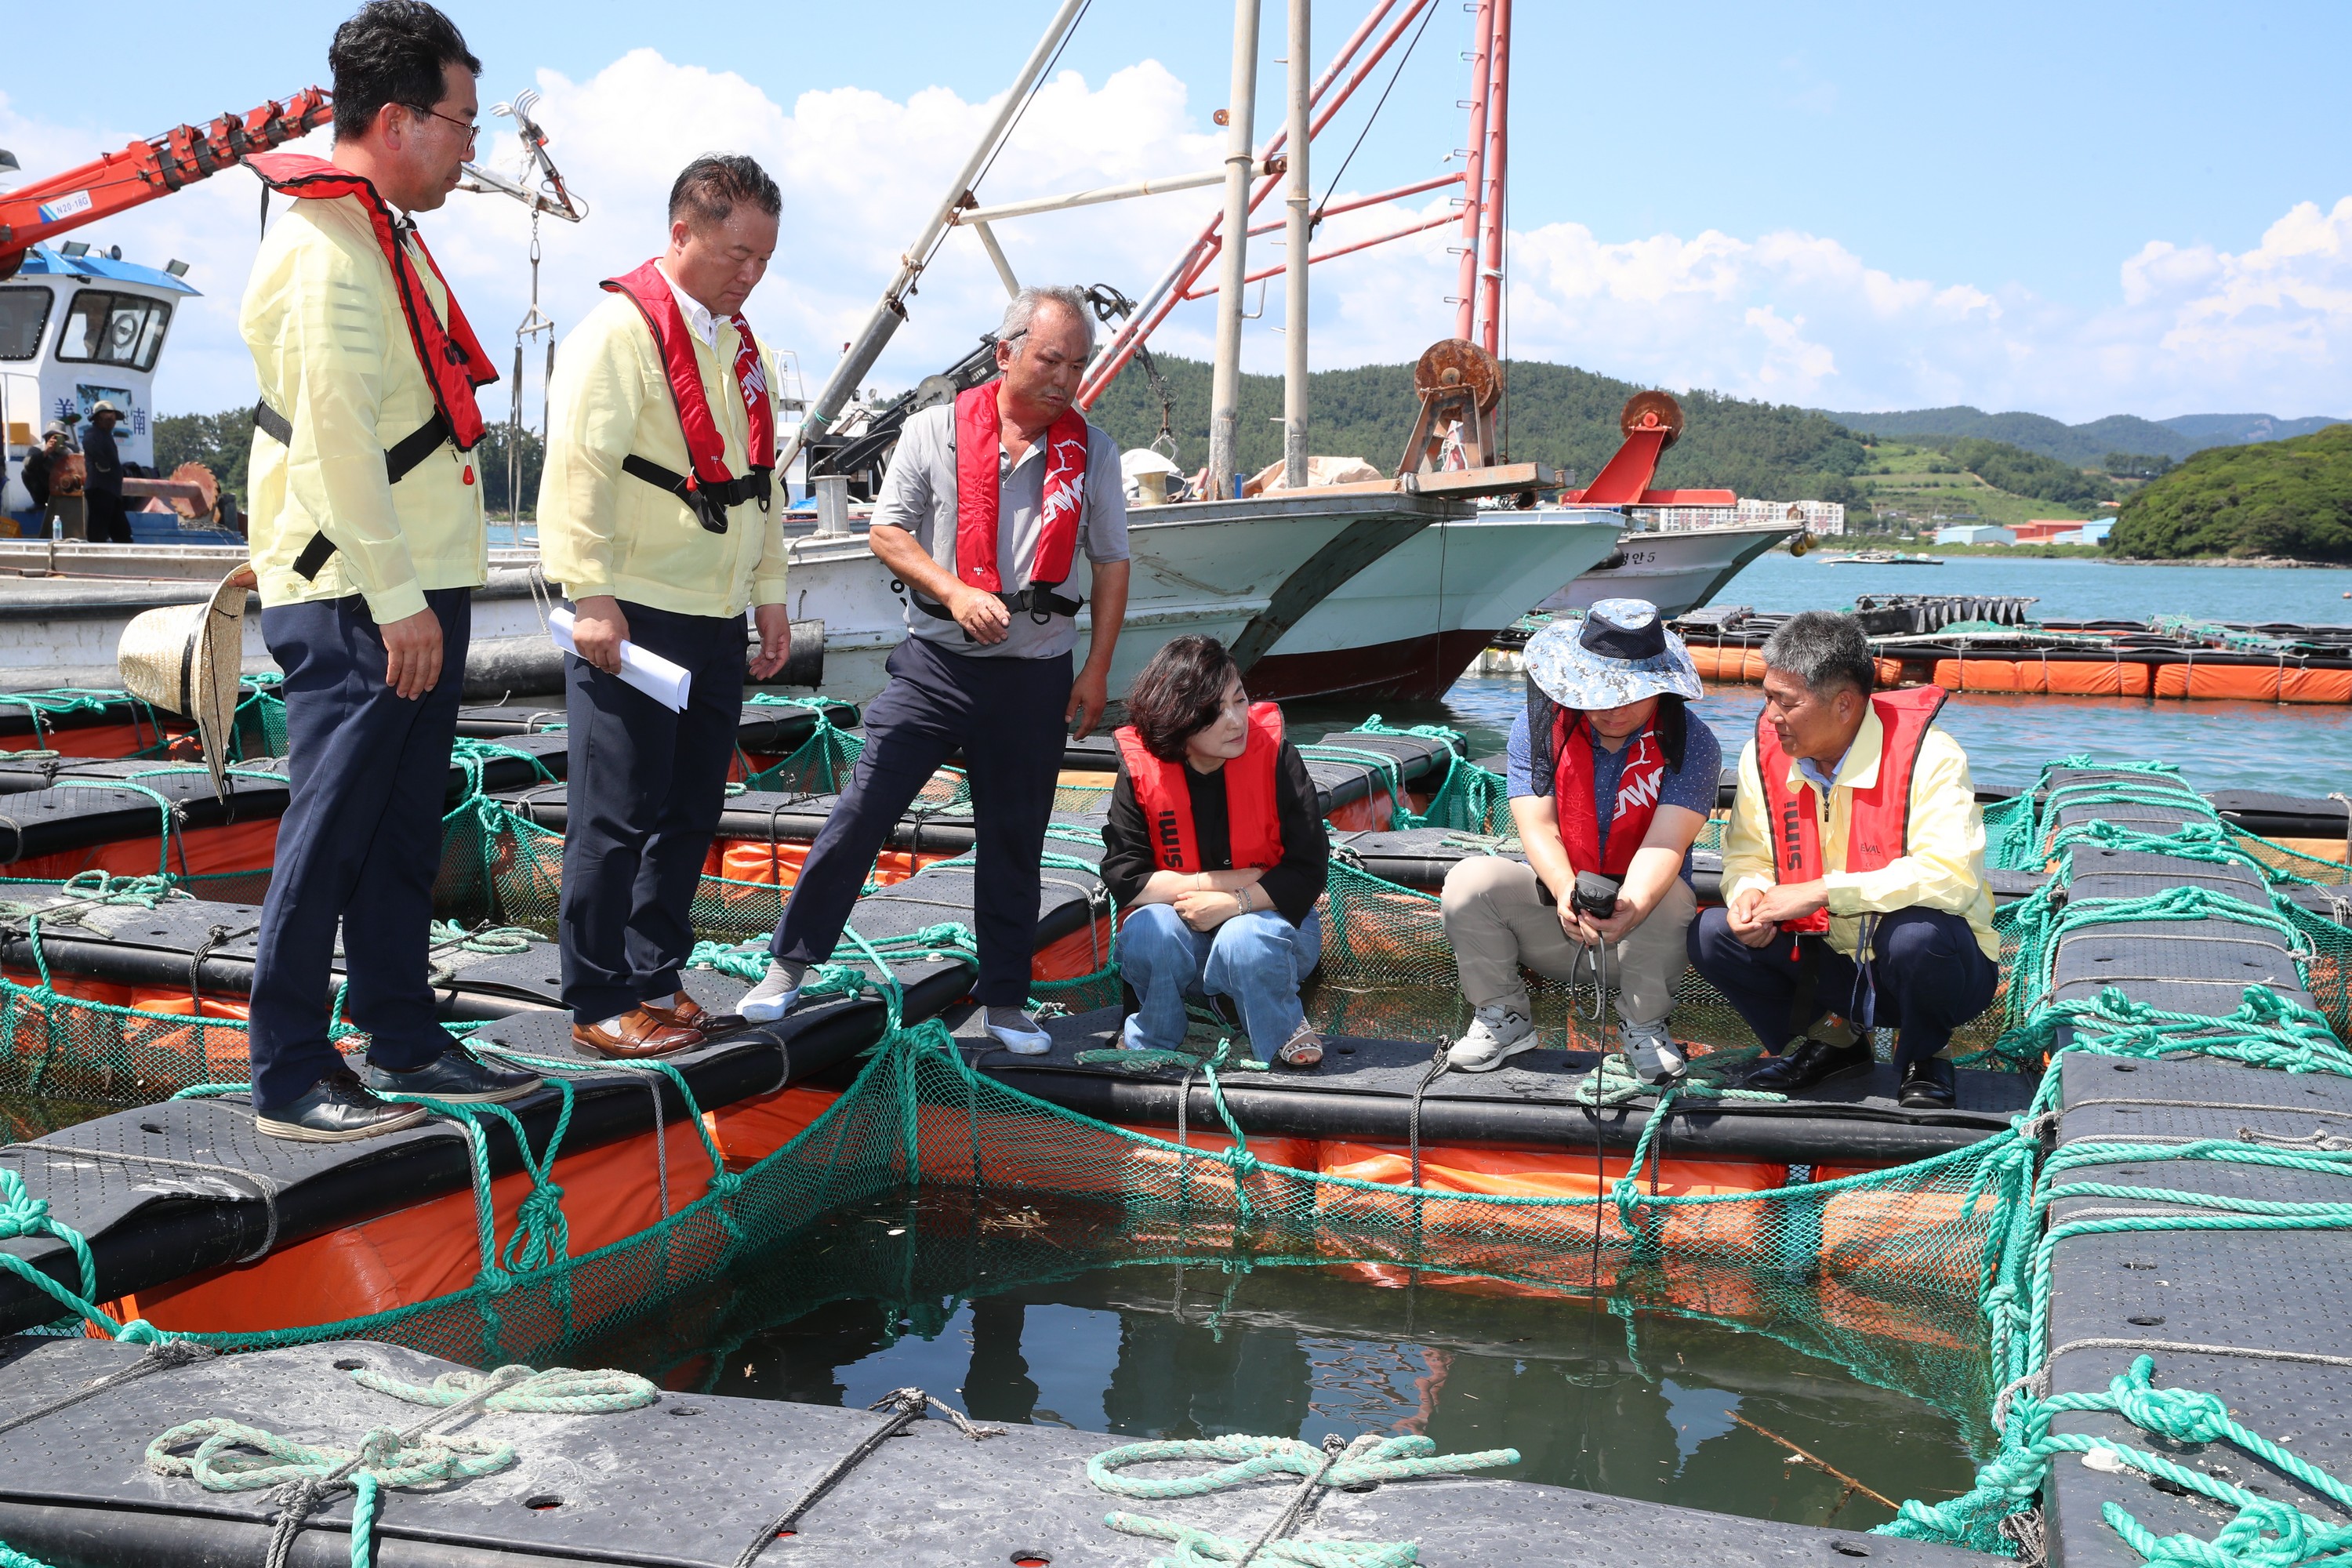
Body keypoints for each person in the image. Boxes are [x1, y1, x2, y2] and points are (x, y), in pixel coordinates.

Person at [238, 0, 538, 1140]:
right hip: (362, 588)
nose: (473, 148)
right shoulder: (324, 250)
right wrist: (398, 599)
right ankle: (289, 1069)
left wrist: (424, 590)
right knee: (334, 825)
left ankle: (403, 1035)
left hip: (411, 578)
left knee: (403, 825)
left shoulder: (379, 233)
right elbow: (332, 439)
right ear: (402, 119)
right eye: (463, 123)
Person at [734, 285, 1132, 1050]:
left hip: (1037, 670)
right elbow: (887, 533)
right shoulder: (932, 431)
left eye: (1077, 365)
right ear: (1006, 350)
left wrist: (1097, 670)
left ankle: (1008, 1002)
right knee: (861, 811)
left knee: (1017, 838)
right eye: (1050, 358)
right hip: (936, 665)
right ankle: (788, 966)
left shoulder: (1096, 452)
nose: (1064, 378)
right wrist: (955, 589)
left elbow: (1112, 564)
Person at [538, 154, 795, 1058]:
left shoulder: (738, 343)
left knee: (689, 806)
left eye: (763, 258)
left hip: (715, 613)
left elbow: (759, 482)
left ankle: (654, 969)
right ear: (681, 233)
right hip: (637, 614)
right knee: (615, 813)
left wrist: (768, 596)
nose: (750, 274)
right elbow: (577, 470)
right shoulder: (616, 333)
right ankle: (597, 996)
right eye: (737, 254)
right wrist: (592, 595)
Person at [1688, 609, 1998, 1110]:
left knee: (1918, 935)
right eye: (1767, 697)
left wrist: (1822, 891)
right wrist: (1748, 893)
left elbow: (1952, 877)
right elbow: (1748, 854)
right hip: (1829, 964)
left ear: (1844, 705)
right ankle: (1832, 1041)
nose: (1769, 715)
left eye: (1783, 702)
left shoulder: (1932, 756)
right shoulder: (1760, 756)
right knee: (1713, 934)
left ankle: (1925, 1055)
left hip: (1939, 968)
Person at [1440, 599, 1719, 1078]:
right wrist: (1568, 891)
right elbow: (1538, 827)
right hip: (1557, 916)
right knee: (1470, 882)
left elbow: (1666, 844)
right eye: (1598, 690)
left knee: (1672, 895)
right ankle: (1503, 1017)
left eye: (1631, 693)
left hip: (1643, 931)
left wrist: (1628, 905)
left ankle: (1644, 1025)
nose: (1612, 707)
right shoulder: (1538, 727)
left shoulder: (1694, 743)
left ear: (1661, 690)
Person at [1101, 637, 1330, 1067]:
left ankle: (1282, 1023)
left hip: (1273, 933)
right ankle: (1153, 1030)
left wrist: (1234, 904)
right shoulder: (1139, 771)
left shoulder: (1277, 756)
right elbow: (1125, 877)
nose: (1236, 720)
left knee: (1247, 937)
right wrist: (1218, 885)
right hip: (1183, 932)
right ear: (1179, 721)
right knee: (1150, 926)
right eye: (1215, 711)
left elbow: (1308, 869)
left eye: (1240, 700)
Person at [81, 401, 130, 543]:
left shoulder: (105, 435)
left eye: (113, 416)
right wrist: (103, 464)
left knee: (122, 531)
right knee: (98, 530)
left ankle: (124, 560)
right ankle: (95, 560)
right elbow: (89, 444)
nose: (111, 419)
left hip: (111, 490)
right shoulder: (93, 433)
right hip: (100, 488)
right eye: (107, 415)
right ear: (98, 418)